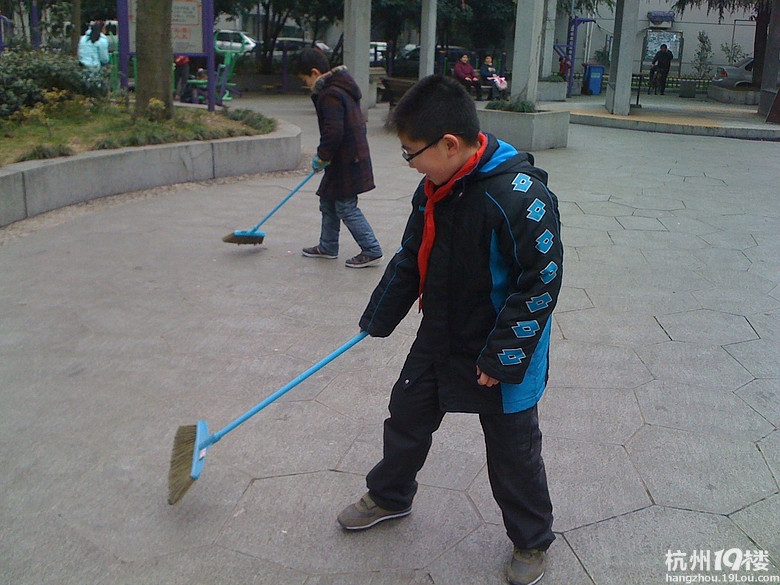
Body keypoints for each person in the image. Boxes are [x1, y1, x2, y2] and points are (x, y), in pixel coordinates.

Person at [337, 75, 563, 585]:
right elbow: (413, 255)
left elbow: (542, 283)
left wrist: (502, 356)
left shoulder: (522, 198)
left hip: (502, 347)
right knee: (407, 416)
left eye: (410, 153)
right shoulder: (435, 185)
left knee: (512, 451)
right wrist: (379, 318)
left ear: (450, 144)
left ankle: (531, 540)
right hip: (441, 332)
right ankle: (391, 495)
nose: (410, 163)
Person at [292, 49, 383, 268]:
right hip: (345, 158)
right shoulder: (339, 88)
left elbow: (333, 131)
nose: (305, 84)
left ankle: (371, 249)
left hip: (348, 160)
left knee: (345, 206)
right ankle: (328, 246)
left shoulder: (330, 94)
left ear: (314, 73)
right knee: (328, 200)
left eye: (305, 78)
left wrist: (322, 156)